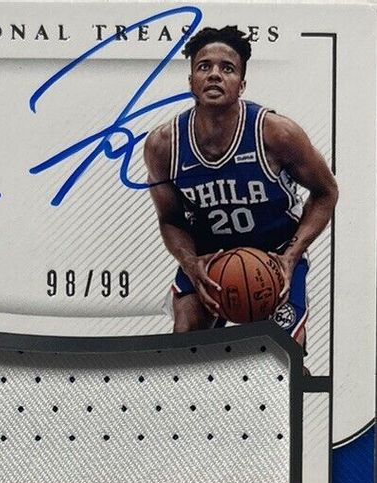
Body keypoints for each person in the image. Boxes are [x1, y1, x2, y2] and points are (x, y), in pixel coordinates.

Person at [143, 25, 338, 345]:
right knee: (185, 340)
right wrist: (190, 263)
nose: (214, 75)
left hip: (274, 255)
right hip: (208, 256)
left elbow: (326, 192)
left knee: (284, 354)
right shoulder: (164, 145)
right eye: (204, 67)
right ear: (191, 81)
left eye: (227, 68)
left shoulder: (276, 133)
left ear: (242, 85)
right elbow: (170, 219)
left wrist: (291, 256)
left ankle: (292, 366)